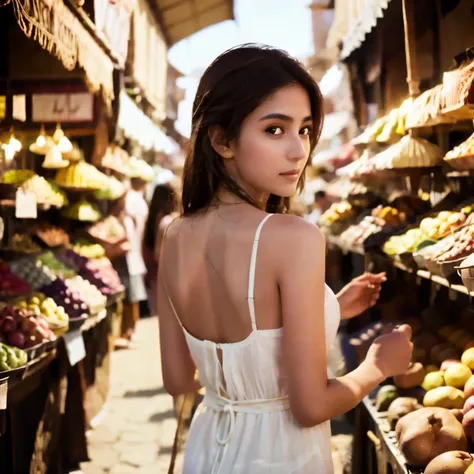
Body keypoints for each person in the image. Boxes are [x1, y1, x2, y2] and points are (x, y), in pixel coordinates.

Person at [157, 44, 413, 474]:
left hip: (206, 451)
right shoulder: (293, 237)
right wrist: (376, 367)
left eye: (306, 130)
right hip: (281, 458)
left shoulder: (175, 234)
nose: (299, 151)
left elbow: (180, 380)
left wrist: (329, 307)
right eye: (275, 129)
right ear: (221, 140)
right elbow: (311, 406)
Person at [142, 183, 179, 316]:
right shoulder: (167, 221)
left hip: (154, 275)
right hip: (164, 277)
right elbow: (159, 253)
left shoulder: (153, 219)